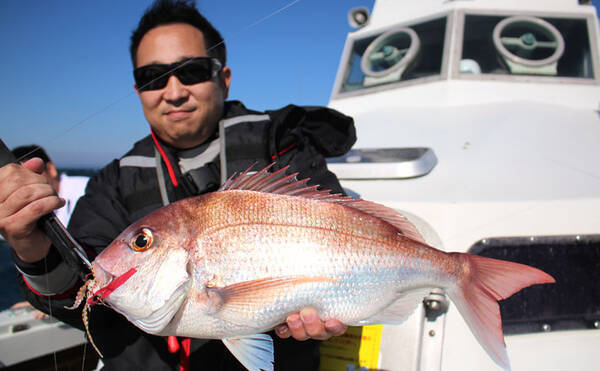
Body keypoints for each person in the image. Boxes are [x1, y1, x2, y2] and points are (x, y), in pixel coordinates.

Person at [0, 0, 356, 370]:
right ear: (138, 90)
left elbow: (345, 233)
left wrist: (340, 302)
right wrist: (31, 244)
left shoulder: (282, 146)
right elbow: (81, 297)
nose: (173, 91)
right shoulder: (114, 182)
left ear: (224, 77)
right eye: (154, 78)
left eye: (192, 71)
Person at [9, 145, 89, 320]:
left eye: (32, 175)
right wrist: (45, 298)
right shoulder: (19, 215)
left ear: (51, 169)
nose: (26, 189)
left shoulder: (91, 191)